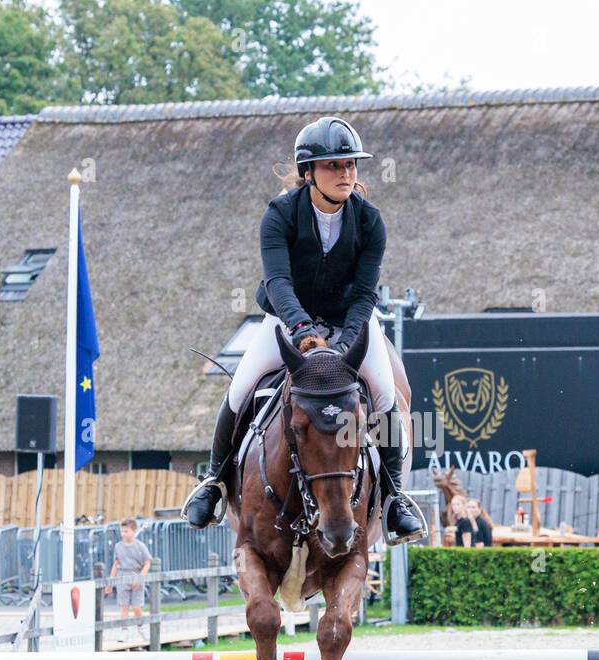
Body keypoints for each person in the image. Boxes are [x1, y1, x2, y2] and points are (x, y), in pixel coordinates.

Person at [181, 116, 425, 545]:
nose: (346, 172)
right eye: (334, 165)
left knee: (386, 397)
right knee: (239, 392)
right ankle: (215, 482)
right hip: (287, 318)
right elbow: (278, 283)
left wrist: (345, 344)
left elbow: (366, 293)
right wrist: (303, 333)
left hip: (352, 322)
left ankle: (394, 498)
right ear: (308, 172)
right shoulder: (280, 215)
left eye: (350, 164)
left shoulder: (370, 221)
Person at [105, 518, 152, 623]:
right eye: (122, 531)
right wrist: (110, 583)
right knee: (123, 606)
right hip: (122, 577)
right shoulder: (118, 546)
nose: (123, 534)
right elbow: (116, 564)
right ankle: (124, 630)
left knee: (136, 607)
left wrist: (140, 578)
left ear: (133, 531)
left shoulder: (140, 546)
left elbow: (147, 563)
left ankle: (141, 626)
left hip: (136, 577)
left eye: (126, 531)